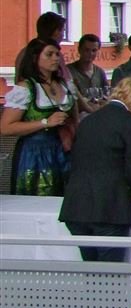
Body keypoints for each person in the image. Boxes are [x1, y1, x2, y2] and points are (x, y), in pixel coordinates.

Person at [58, 77, 131, 262]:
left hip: (76, 206)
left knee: (92, 271)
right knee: (111, 273)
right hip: (110, 208)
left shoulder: (88, 121)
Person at [1, 38, 78, 196]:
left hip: (65, 149)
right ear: (35, 58)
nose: (56, 58)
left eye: (57, 54)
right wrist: (45, 122)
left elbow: (75, 118)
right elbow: (6, 127)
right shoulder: (26, 88)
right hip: (35, 153)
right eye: (49, 54)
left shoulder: (64, 84)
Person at [67, 34, 108, 116]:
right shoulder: (68, 71)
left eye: (94, 50)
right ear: (79, 50)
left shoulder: (100, 72)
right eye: (87, 50)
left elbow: (106, 94)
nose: (90, 53)